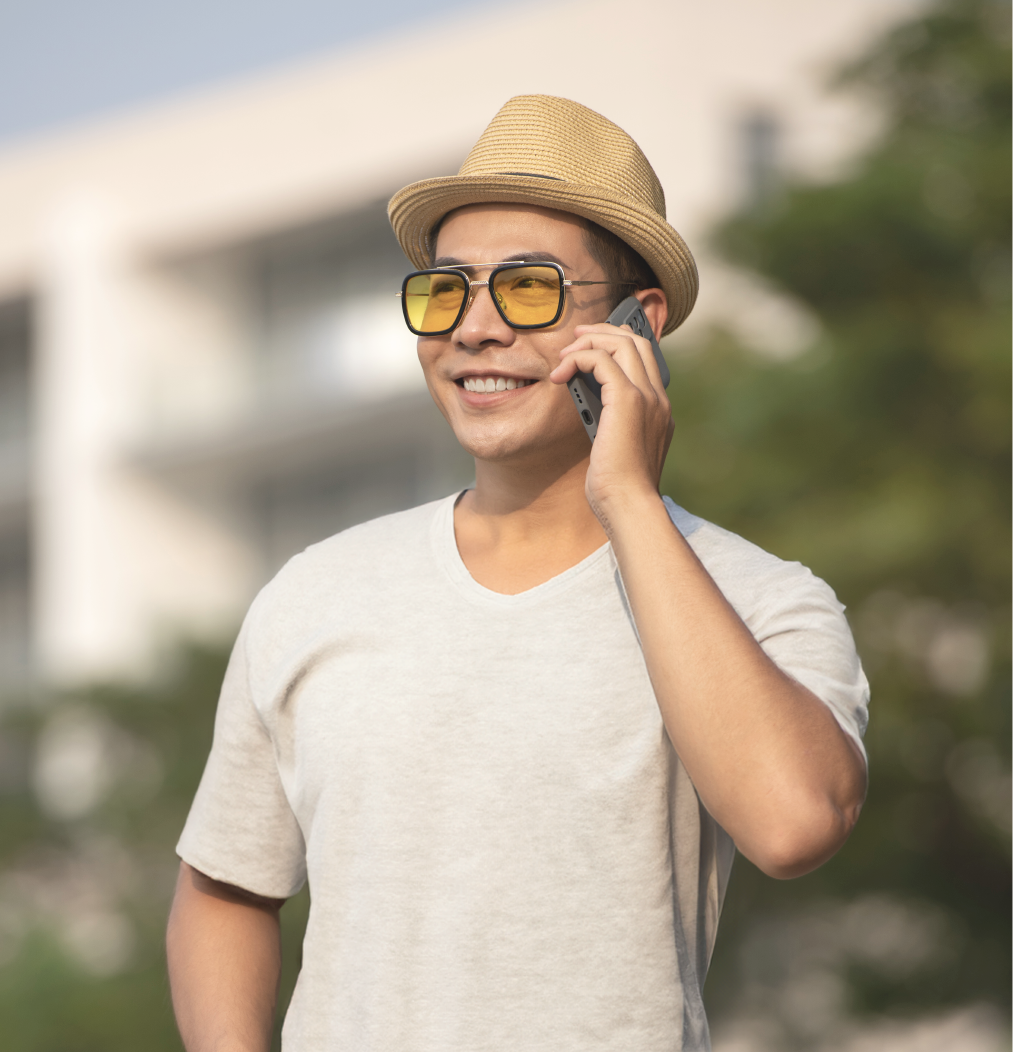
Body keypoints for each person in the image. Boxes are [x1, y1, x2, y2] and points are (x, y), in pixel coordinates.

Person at [166, 95, 869, 1052]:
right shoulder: (312, 592)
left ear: (639, 320)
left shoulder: (757, 598)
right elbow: (223, 890)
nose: (476, 329)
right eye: (444, 289)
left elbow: (794, 824)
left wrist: (626, 497)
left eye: (529, 289)